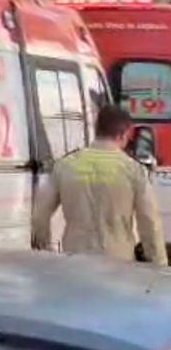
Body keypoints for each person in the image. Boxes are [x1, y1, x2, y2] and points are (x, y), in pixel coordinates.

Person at [31, 105, 167, 266]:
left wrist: (44, 248)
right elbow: (149, 223)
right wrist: (159, 264)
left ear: (97, 130)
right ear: (124, 134)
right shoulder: (133, 170)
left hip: (75, 261)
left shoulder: (65, 165)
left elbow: (40, 214)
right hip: (118, 263)